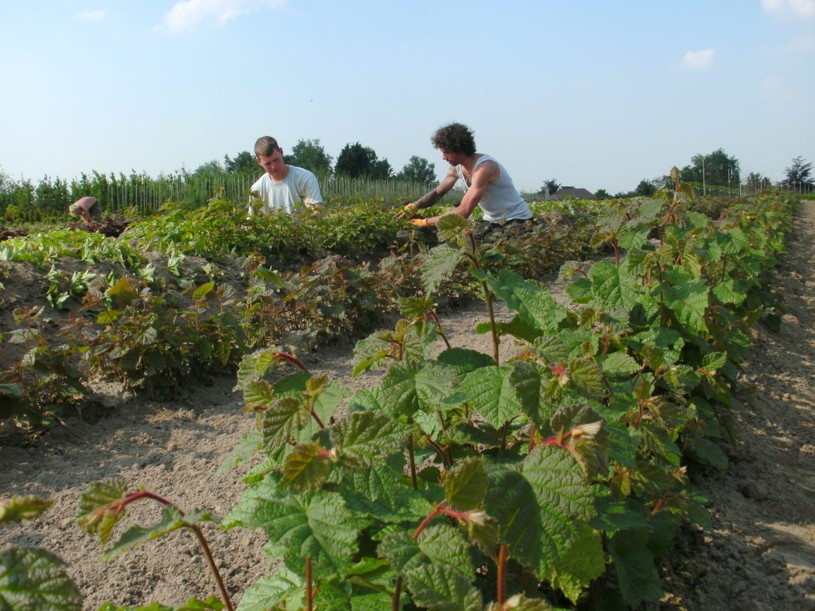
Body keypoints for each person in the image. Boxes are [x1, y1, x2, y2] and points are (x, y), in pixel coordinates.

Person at [400, 123, 533, 240]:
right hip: (491, 221)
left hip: (517, 219)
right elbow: (438, 193)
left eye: (446, 152)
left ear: (459, 148)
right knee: (473, 248)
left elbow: (463, 212)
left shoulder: (484, 169)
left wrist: (424, 222)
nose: (443, 157)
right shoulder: (456, 168)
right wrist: (414, 206)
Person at [248, 136, 323, 216]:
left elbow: (318, 212)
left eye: (276, 160)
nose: (274, 167)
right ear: (258, 161)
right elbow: (252, 221)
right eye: (268, 164)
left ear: (281, 152)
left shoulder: (305, 178)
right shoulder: (256, 190)